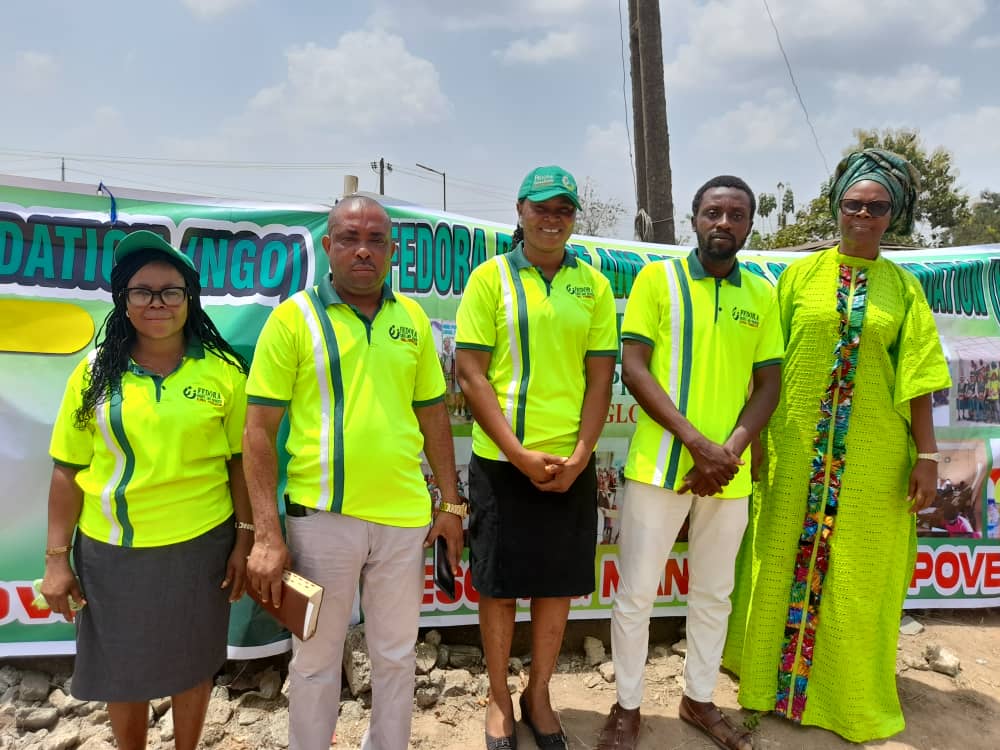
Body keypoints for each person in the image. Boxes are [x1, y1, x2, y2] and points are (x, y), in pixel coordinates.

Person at [724, 149, 951, 742]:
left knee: (857, 574)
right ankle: (766, 685)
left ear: (893, 215)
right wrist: (754, 440)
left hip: (874, 459)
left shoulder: (903, 289)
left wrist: (928, 458)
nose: (863, 215)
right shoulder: (798, 278)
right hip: (794, 448)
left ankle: (844, 695)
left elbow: (920, 380)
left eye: (877, 207)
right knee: (779, 557)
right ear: (836, 207)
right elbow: (764, 367)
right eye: (853, 203)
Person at [244, 195, 464, 750]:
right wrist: (267, 533)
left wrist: (451, 503)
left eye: (375, 241)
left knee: (396, 656)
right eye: (349, 238)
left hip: (403, 520)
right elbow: (258, 432)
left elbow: (433, 414)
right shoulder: (293, 319)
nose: (362, 251)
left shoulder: (412, 318)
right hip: (322, 521)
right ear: (328, 246)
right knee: (315, 661)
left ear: (392, 251)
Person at [41, 230, 252, 750]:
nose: (157, 303)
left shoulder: (224, 372)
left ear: (190, 299)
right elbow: (67, 469)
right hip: (113, 550)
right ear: (123, 299)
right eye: (142, 291)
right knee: (124, 672)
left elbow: (241, 463)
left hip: (202, 545)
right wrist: (56, 559)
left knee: (194, 664)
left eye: (170, 291)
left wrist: (246, 538)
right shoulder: (93, 373)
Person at [597, 176, 783, 750]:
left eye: (736, 214)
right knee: (637, 594)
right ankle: (627, 706)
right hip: (659, 468)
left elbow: (768, 384)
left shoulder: (761, 295)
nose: (723, 222)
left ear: (749, 225)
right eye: (713, 212)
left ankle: (698, 699)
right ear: (695, 218)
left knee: (714, 594)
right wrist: (699, 445)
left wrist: (728, 453)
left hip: (728, 473)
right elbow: (635, 368)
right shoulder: (658, 280)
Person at [456, 165, 617, 750]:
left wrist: (581, 455)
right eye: (541, 207)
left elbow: (600, 379)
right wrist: (518, 453)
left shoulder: (593, 285)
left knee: (555, 586)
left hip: (570, 467)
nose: (552, 219)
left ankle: (539, 694)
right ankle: (499, 699)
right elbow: (471, 374)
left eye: (563, 209)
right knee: (498, 587)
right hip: (503, 464)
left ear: (574, 218)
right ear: (520, 211)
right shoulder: (489, 278)